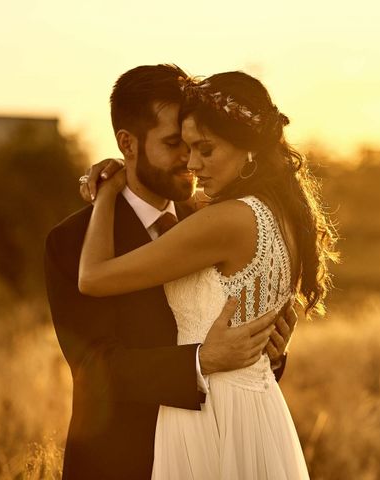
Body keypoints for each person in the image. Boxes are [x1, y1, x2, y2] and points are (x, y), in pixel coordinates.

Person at [78, 71, 338, 479]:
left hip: (210, 414)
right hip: (254, 409)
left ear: (248, 149)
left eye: (206, 149)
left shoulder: (225, 220)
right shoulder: (282, 212)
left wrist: (107, 192)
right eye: (183, 147)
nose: (192, 164)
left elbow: (92, 278)